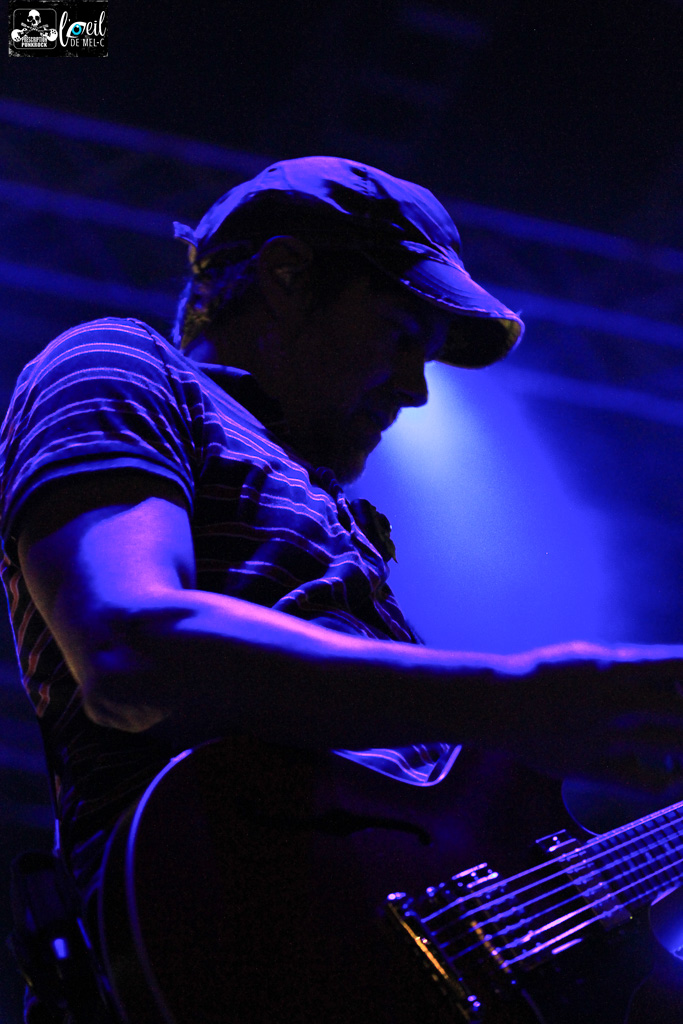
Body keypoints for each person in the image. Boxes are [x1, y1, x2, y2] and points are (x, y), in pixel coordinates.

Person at [2, 156, 683, 1023]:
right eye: (399, 336)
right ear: (286, 275)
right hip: (237, 939)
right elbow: (130, 645)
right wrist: (517, 698)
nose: (415, 389)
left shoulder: (334, 511)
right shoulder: (120, 364)